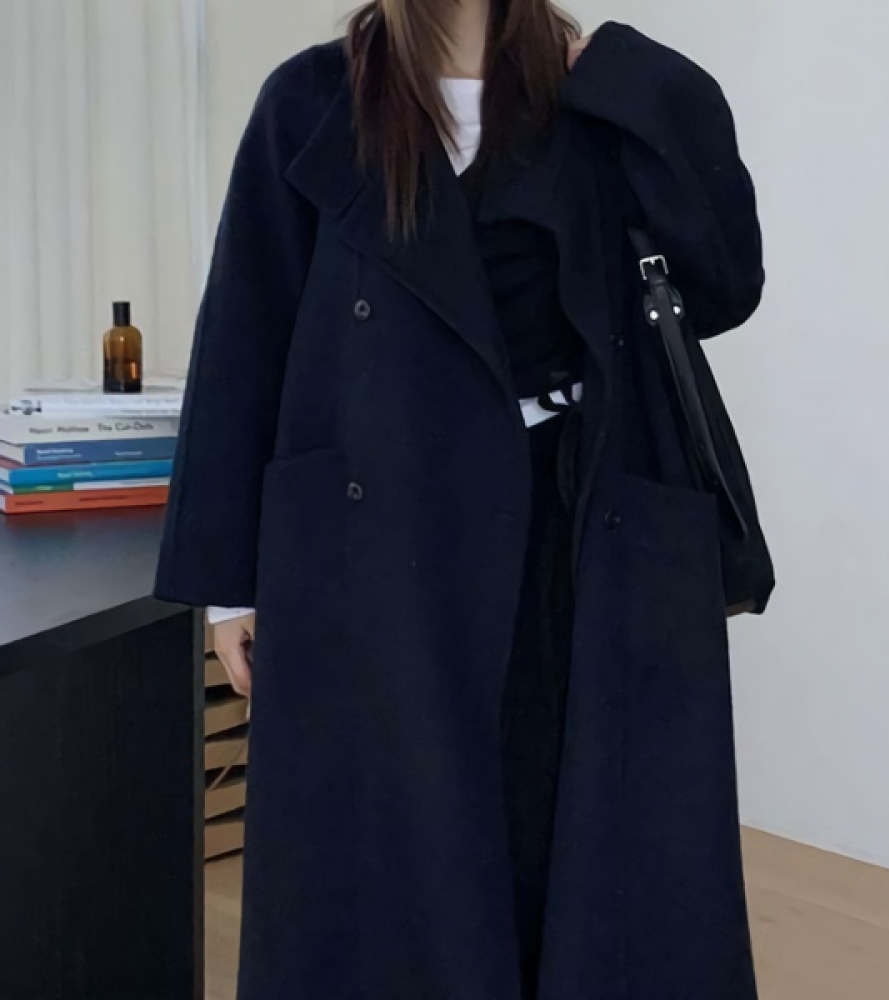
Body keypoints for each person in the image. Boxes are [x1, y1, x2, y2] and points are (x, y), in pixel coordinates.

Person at [156, 1, 766, 997]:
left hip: (573, 523)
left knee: (571, 848)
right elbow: (243, 335)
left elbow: (724, 283)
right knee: (400, 858)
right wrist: (232, 587)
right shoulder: (312, 100)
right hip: (378, 537)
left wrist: (629, 73)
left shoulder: (594, 93)